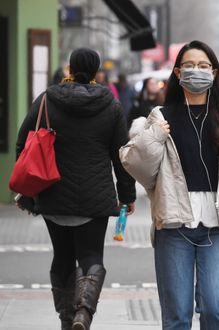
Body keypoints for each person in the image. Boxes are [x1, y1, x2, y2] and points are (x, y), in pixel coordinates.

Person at [120, 40, 219, 330]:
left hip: (218, 225)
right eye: (189, 65)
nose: (196, 71)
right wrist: (154, 137)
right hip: (174, 226)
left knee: (213, 307)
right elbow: (136, 165)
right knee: (177, 315)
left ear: (213, 72)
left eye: (203, 66)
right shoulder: (161, 117)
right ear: (177, 72)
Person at [15, 48, 136, 330]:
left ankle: (66, 320)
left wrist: (27, 190)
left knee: (63, 256)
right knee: (91, 256)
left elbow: (23, 142)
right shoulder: (111, 104)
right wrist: (127, 196)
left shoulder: (47, 99)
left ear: (70, 68)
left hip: (52, 194)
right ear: (97, 71)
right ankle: (84, 313)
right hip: (96, 198)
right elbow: (121, 155)